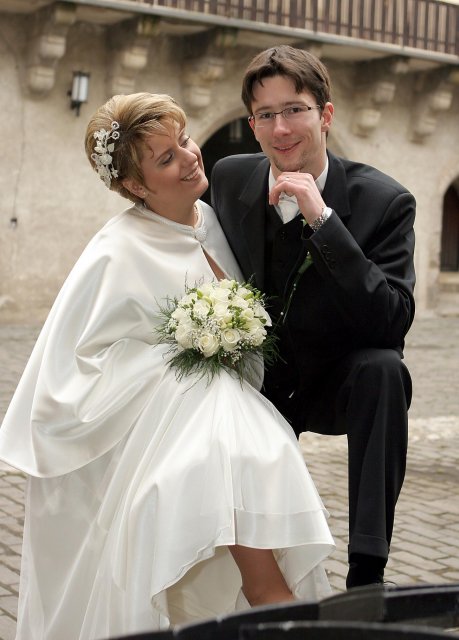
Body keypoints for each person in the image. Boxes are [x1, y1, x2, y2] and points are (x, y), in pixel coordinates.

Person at [0, 92, 334, 640]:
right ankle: (269, 594)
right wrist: (192, 352)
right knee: (223, 428)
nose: (189, 157)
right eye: (166, 158)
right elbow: (70, 380)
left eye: (183, 140)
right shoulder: (115, 252)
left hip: (210, 422)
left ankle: (264, 597)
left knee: (237, 438)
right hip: (142, 431)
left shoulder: (211, 220)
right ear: (135, 186)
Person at [211, 45, 415, 590]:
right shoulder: (228, 178)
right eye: (266, 114)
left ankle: (367, 572)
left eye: (294, 109)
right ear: (252, 126)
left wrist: (324, 222)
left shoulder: (385, 201)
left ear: (325, 114)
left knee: (385, 371)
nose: (281, 128)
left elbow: (391, 322)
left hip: (333, 381)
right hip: (256, 381)